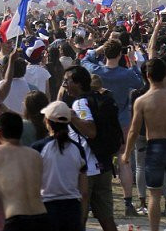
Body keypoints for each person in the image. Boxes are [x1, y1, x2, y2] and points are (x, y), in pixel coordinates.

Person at [121, 58, 166, 231]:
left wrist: (126, 153)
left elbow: (133, 131)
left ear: (147, 75)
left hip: (154, 146)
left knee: (154, 194)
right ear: (165, 75)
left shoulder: (142, 100)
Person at [81, 39, 144, 216]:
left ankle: (93, 202)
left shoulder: (96, 70)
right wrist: (132, 61)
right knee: (124, 160)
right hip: (121, 121)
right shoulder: (126, 74)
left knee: (95, 159)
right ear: (120, 54)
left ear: (105, 53)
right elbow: (140, 83)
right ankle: (128, 203)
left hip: (99, 122)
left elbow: (84, 59)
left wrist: (98, 49)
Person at [59, 65, 117, 231]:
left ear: (78, 83)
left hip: (87, 171)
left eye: (67, 81)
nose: (64, 85)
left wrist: (73, 117)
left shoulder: (80, 103)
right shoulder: (96, 98)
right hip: (103, 165)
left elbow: (91, 131)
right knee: (107, 219)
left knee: (79, 219)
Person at [32, 101, 87, 231]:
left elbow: (32, 184)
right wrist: (81, 218)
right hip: (72, 209)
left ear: (47, 121)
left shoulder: (38, 148)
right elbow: (84, 191)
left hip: (46, 208)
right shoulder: (78, 149)